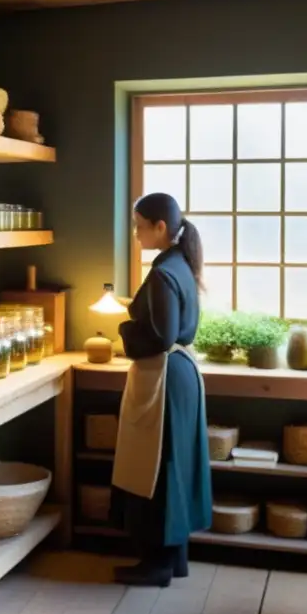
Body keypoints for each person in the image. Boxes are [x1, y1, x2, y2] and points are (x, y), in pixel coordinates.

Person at [111, 192, 212, 587]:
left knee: (157, 470)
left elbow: (161, 334)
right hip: (181, 374)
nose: (136, 234)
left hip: (165, 377)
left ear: (160, 227)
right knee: (174, 467)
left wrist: (125, 329)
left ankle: (155, 565)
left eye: (139, 226)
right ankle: (174, 561)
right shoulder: (180, 264)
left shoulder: (164, 272)